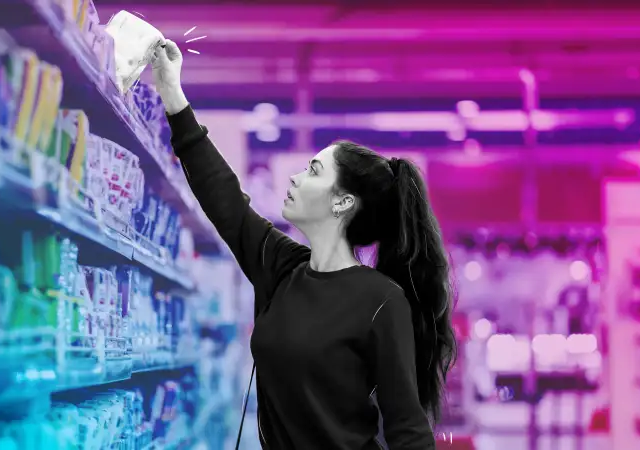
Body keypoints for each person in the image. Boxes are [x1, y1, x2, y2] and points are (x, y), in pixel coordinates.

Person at [151, 39, 457, 450]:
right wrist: (173, 95)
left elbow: (407, 427)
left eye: (313, 171)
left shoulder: (382, 300)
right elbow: (225, 200)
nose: (294, 177)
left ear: (343, 201)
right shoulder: (282, 268)